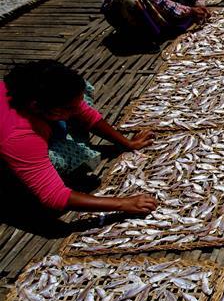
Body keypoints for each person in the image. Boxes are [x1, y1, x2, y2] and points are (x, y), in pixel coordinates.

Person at [0, 61, 158, 215]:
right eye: (69, 108)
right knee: (60, 160)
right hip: (13, 146)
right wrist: (124, 203)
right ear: (35, 106)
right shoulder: (20, 137)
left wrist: (127, 143)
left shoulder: (31, 88)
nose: (77, 109)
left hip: (34, 125)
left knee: (80, 98)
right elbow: (54, 196)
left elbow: (85, 113)